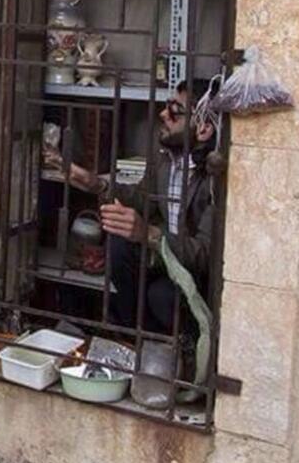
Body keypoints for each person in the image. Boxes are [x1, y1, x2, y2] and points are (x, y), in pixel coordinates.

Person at [49, 82, 217, 332]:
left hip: (195, 275)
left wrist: (147, 233)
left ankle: (177, 350)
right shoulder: (166, 159)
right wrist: (96, 184)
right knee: (119, 245)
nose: (163, 115)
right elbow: (141, 199)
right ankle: (136, 336)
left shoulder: (215, 180)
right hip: (163, 260)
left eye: (175, 111)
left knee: (161, 296)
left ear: (203, 130)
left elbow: (203, 254)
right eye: (166, 107)